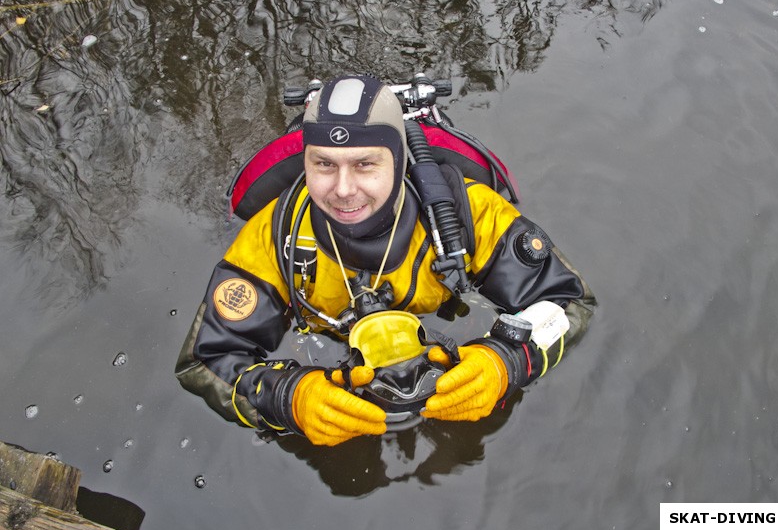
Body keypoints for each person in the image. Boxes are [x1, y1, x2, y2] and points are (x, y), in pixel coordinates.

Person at [176, 74, 596, 446]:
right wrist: (286, 396)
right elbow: (203, 361)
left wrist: (506, 360)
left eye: (365, 164)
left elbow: (571, 301)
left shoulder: (472, 212)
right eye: (323, 164)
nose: (342, 190)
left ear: (398, 160)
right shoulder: (274, 235)